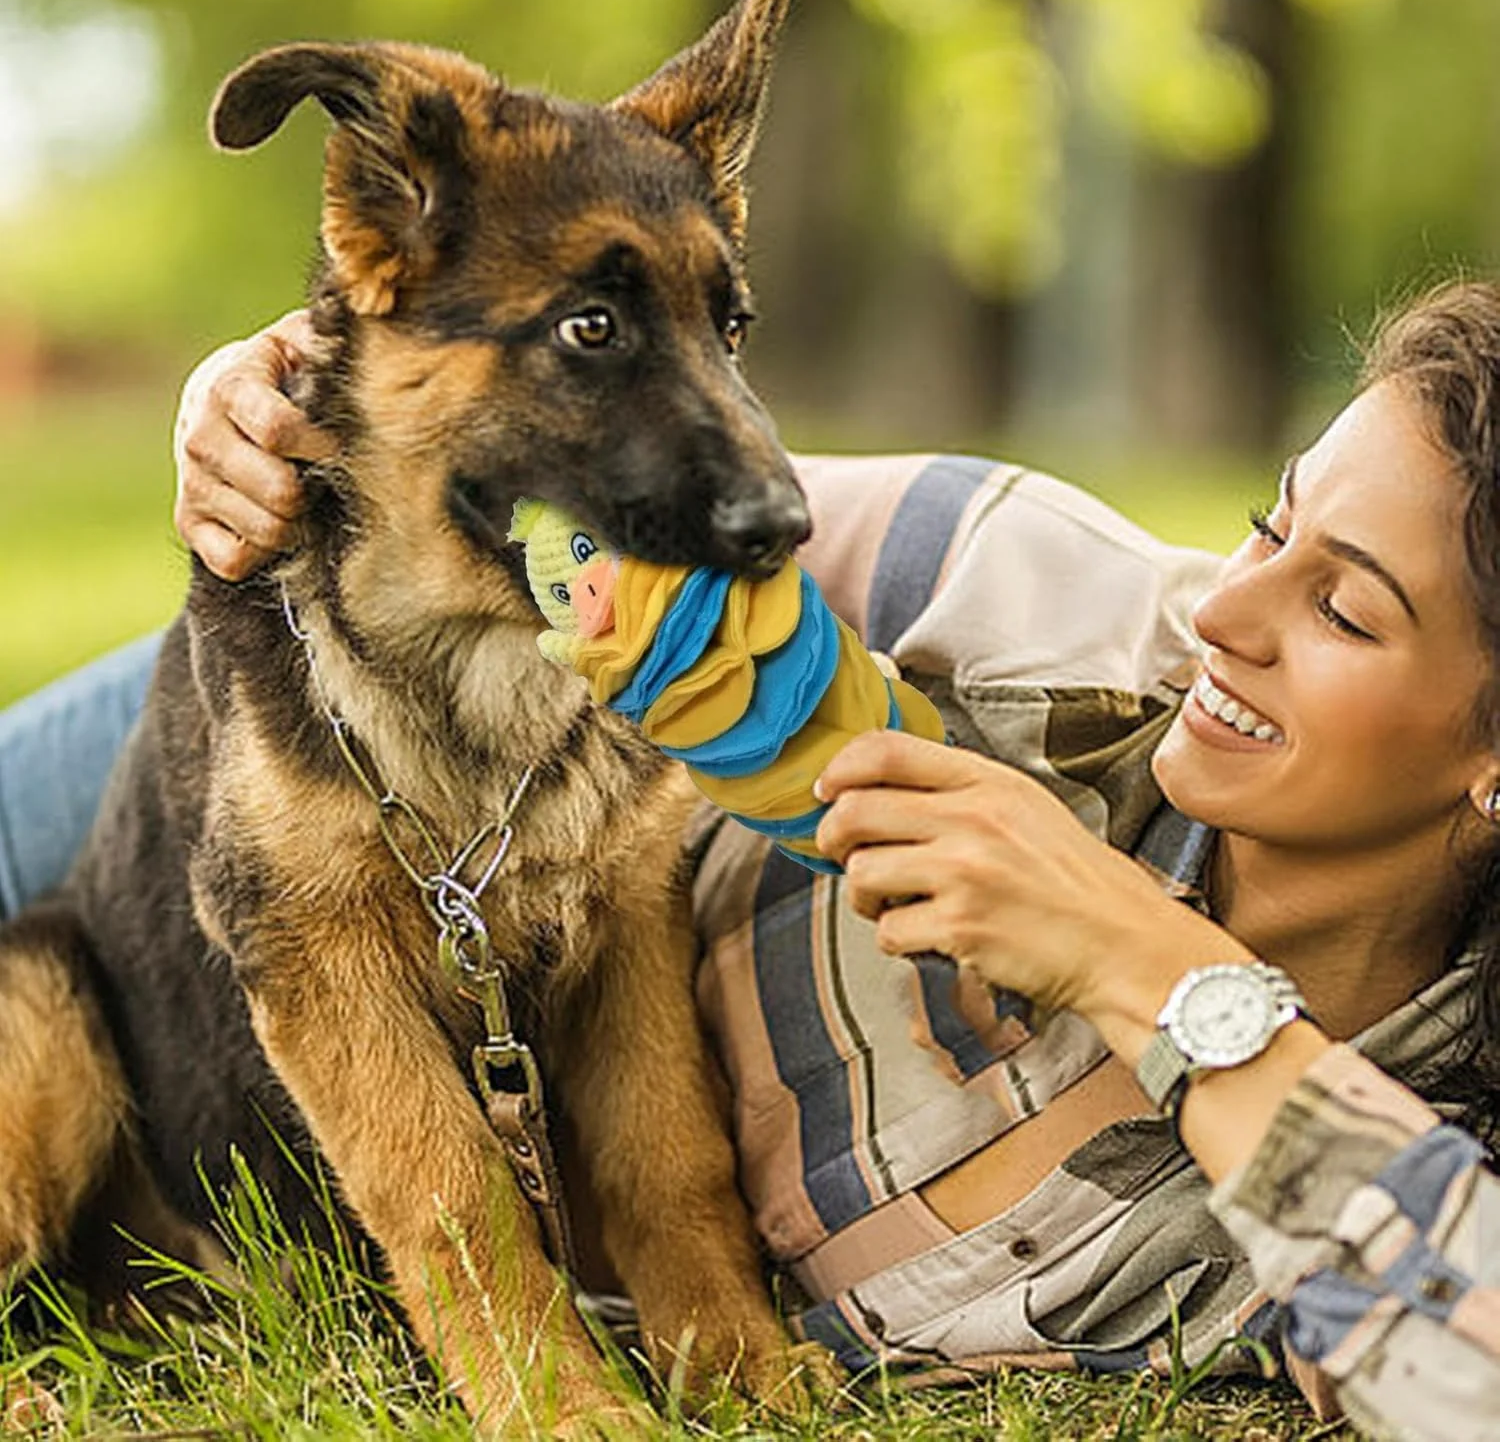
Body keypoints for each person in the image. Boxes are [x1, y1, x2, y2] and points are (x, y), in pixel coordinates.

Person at [3, 284, 1498, 1441]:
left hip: (331, 1144)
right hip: (300, 761)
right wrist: (278, 401)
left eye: (1346, 614)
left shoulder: (1423, 1146)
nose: (1229, 613)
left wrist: (1146, 962)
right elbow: (580, 482)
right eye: (1269, 523)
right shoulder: (1048, 604)